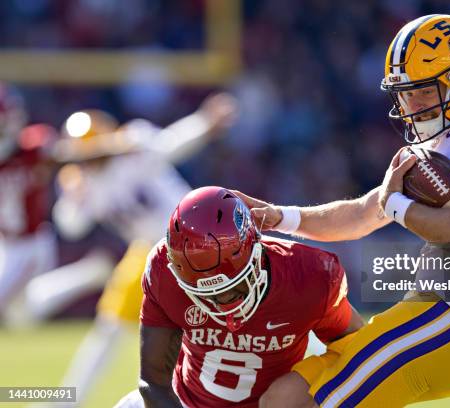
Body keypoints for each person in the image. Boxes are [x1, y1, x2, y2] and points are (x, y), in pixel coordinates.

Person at [240, 14, 450, 408]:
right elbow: (363, 213)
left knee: (299, 403)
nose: (411, 105)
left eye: (421, 91)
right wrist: (279, 217)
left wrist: (398, 206)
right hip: (428, 310)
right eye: (404, 93)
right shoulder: (432, 147)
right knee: (285, 395)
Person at [33, 93, 238, 407]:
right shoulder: (83, 180)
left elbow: (170, 143)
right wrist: (73, 198)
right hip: (146, 252)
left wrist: (205, 122)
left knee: (209, 330)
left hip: (192, 247)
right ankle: (66, 401)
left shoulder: (133, 143)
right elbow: (71, 226)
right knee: (109, 328)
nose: (88, 160)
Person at [114, 186, 363, 407]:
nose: (222, 304)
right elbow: (152, 382)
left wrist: (301, 394)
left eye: (233, 288)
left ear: (256, 252)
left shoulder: (309, 276)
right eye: (207, 295)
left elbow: (355, 348)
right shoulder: (163, 270)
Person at [0, 82, 59, 323]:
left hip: (29, 245)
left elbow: (56, 145)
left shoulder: (32, 149)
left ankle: (88, 274)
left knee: (21, 313)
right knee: (23, 317)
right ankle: (88, 273)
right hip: (5, 244)